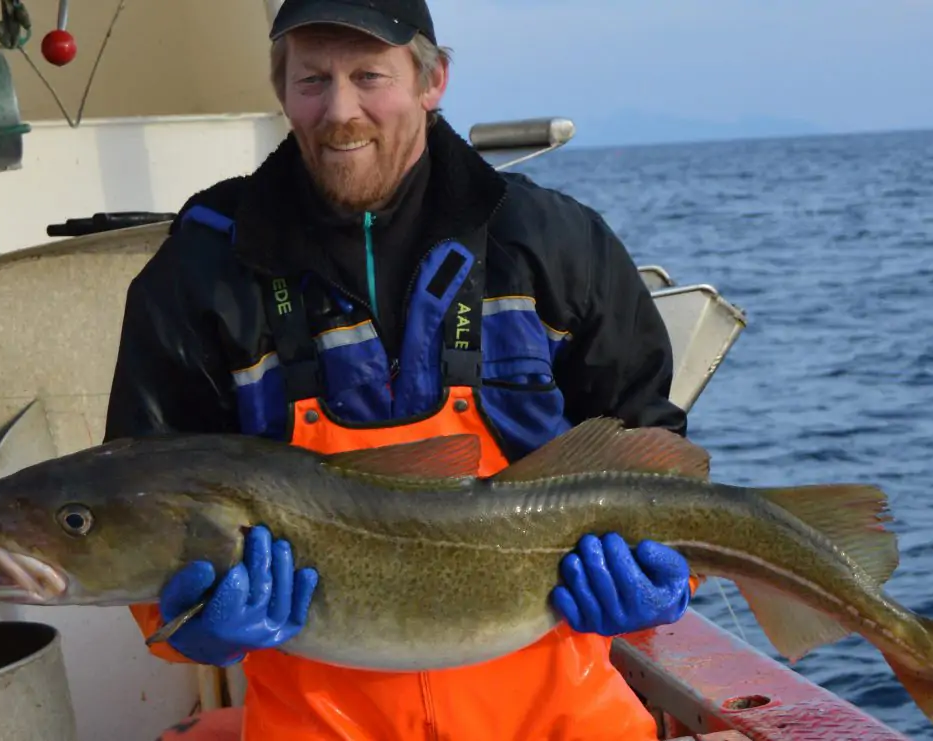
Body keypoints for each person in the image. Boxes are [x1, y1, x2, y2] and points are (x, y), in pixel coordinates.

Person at [103, 0, 701, 738]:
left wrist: (662, 569)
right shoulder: (203, 269)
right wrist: (188, 621)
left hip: (561, 721)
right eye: (312, 79)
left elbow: (652, 446)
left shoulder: (551, 242)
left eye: (369, 75)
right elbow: (137, 490)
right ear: (281, 88)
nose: (340, 110)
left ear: (432, 79)